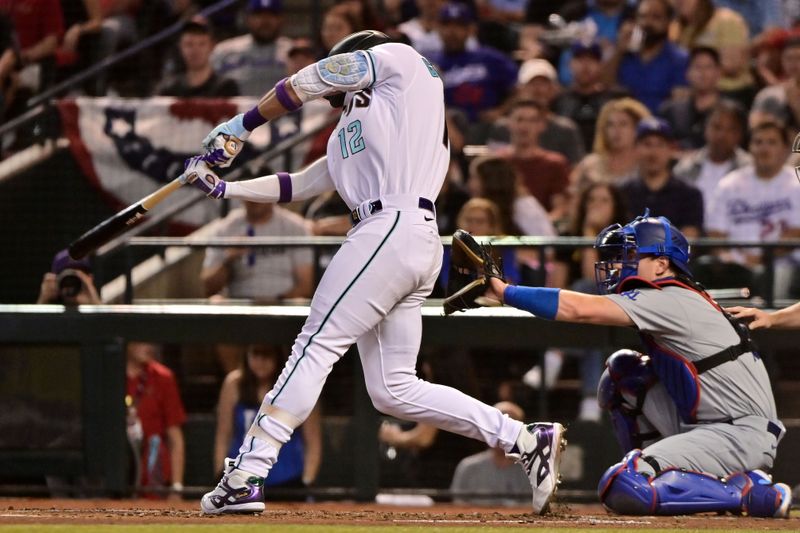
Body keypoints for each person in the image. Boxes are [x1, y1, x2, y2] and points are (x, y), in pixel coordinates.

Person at [181, 29, 565, 515]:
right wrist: (224, 189)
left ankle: (248, 472)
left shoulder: (399, 60)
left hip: (393, 224)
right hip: (401, 237)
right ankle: (524, 438)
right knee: (393, 388)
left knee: (316, 345)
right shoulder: (359, 125)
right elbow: (300, 184)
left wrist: (242, 124)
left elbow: (310, 79)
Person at [479, 211, 792, 518]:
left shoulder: (668, 297)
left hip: (739, 435)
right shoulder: (671, 296)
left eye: (631, 255)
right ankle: (655, 468)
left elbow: (577, 309)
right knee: (624, 373)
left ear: (661, 265)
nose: (620, 263)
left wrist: (504, 291)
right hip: (710, 425)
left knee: (625, 485)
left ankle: (750, 492)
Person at [705, 121, 800, 291]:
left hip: (782, 263)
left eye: (771, 142)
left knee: (780, 275)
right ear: (749, 148)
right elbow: (715, 234)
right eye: (758, 142)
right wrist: (738, 258)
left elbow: (795, 234)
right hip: (735, 264)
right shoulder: (730, 184)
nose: (764, 148)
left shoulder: (796, 185)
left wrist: (761, 258)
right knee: (706, 266)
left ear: (785, 149)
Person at [213, 344, 322, 494]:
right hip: (241, 478)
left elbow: (313, 441)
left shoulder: (296, 385)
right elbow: (223, 436)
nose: (260, 361)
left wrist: (307, 483)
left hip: (287, 481)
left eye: (267, 355)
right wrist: (220, 474)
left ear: (278, 357)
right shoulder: (234, 384)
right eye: (255, 354)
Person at [201, 200, 314, 302]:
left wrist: (273, 303)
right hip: (239, 304)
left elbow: (306, 285)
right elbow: (209, 287)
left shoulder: (295, 226)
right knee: (215, 301)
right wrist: (229, 258)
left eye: (259, 193)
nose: (254, 199)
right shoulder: (225, 228)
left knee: (300, 301)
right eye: (250, 192)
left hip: (282, 302)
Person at [618, 117, 704, 238]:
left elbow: (688, 240)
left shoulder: (689, 194)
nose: (653, 152)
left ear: (671, 149)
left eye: (660, 145)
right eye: (647, 144)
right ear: (636, 148)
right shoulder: (622, 193)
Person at [125, 342, 186, 497]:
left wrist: (176, 487)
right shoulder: (109, 374)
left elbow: (175, 437)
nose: (148, 346)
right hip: (118, 464)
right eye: (141, 339)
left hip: (152, 467)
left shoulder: (163, 377)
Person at [609, 0, 689, 114]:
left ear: (668, 21)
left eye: (656, 17)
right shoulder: (625, 55)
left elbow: (679, 105)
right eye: (643, 16)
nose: (647, 23)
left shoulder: (680, 59)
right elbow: (605, 86)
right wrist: (619, 52)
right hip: (626, 125)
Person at [673, 99, 751, 215]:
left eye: (730, 129)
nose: (722, 135)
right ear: (706, 128)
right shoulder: (686, 168)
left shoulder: (750, 168)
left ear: (740, 134)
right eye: (717, 127)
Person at [450, 401, 532, 506]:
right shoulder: (468, 466)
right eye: (497, 427)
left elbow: (535, 505)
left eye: (509, 427)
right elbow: (458, 503)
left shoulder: (531, 469)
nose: (503, 433)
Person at [553, 40, 628, 151]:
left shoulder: (615, 99)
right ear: (570, 64)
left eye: (591, 60)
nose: (585, 66)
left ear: (600, 65)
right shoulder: (558, 101)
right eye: (580, 60)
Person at [210, 0, 290, 97]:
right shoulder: (224, 50)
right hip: (235, 110)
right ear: (248, 19)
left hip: (284, 111)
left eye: (271, 15)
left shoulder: (293, 52)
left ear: (281, 19)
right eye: (258, 15)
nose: (265, 21)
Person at [571, 97, 651, 192]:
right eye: (610, 125)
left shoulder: (648, 164)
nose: (616, 131)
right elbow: (574, 198)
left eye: (623, 124)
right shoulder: (590, 165)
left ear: (637, 129)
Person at [658, 46, 723, 151]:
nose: (703, 73)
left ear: (719, 72)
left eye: (708, 67)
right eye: (697, 67)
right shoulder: (670, 111)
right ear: (687, 73)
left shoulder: (730, 113)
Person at [155, 20, 239, 97]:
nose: (195, 51)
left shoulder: (226, 87)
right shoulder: (169, 90)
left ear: (211, 47)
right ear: (180, 47)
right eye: (189, 44)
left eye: (202, 44)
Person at [750, 35, 800, 133]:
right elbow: (754, 126)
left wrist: (795, 105)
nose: (794, 64)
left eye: (799, 58)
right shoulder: (768, 95)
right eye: (789, 58)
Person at [37, 249, 101, 305]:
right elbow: (35, 319)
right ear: (55, 280)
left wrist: (94, 302)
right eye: (66, 277)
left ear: (90, 278)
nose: (71, 282)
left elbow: (106, 318)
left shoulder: (93, 306)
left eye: (77, 277)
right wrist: (43, 300)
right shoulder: (52, 311)